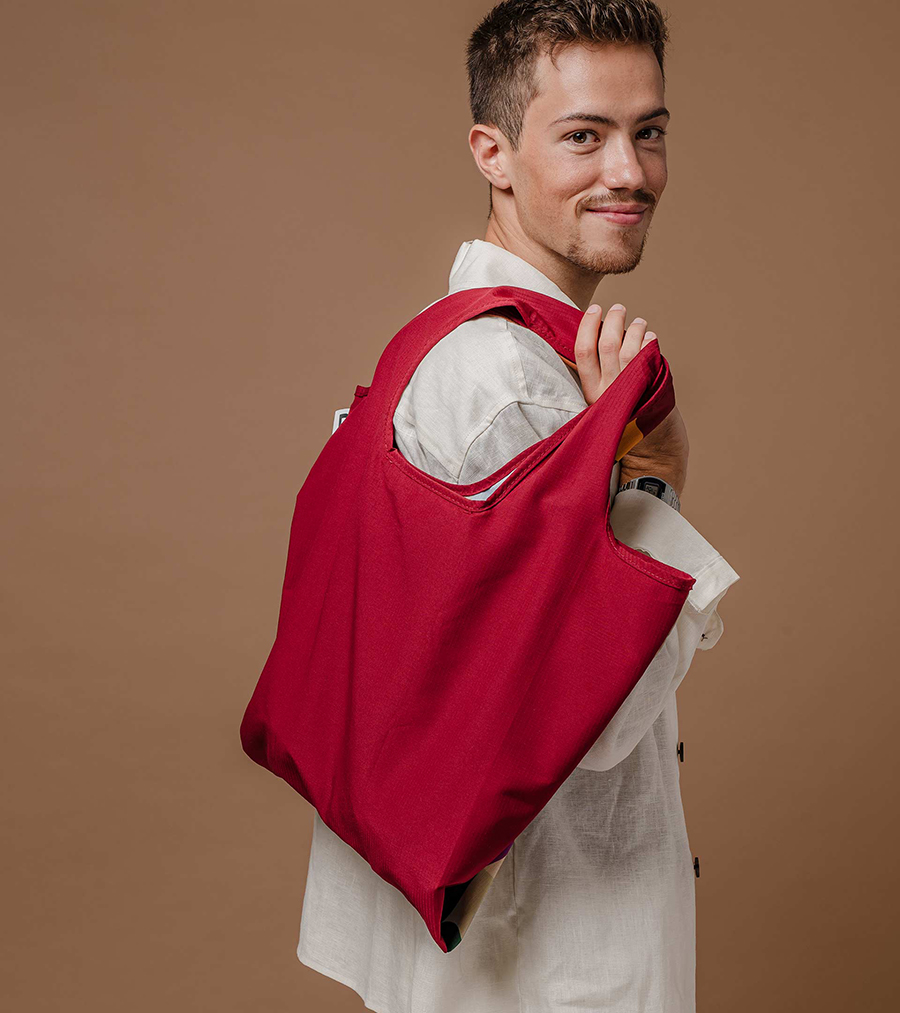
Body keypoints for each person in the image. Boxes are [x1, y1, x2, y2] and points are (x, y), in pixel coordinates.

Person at [296, 2, 740, 1010]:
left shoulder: (441, 336)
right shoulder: (516, 385)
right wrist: (658, 474)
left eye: (649, 131)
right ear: (491, 152)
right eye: (584, 135)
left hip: (485, 942)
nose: (629, 171)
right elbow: (591, 718)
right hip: (542, 960)